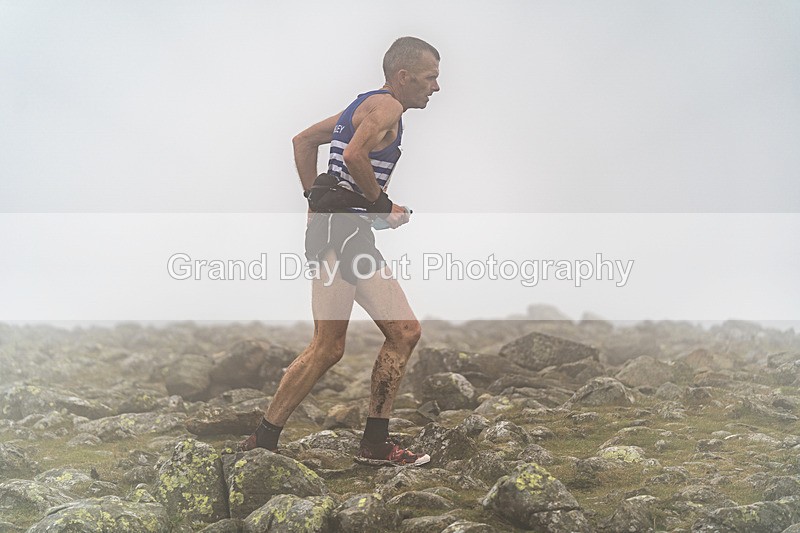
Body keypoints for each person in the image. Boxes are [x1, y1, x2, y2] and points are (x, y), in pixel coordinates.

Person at [238, 37, 440, 466]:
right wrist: (384, 206)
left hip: (347, 233)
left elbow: (302, 140)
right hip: (339, 233)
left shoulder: (360, 107)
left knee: (404, 332)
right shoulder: (388, 107)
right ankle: (263, 439)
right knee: (327, 347)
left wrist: (314, 197)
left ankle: (375, 445)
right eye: (430, 78)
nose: (435, 88)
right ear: (403, 77)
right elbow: (353, 155)